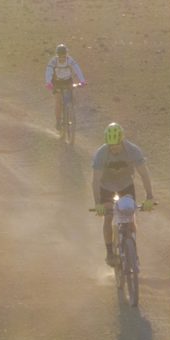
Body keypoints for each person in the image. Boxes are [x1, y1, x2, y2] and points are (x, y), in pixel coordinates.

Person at [91, 124, 152, 263]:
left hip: (126, 185)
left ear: (122, 141)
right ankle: (110, 253)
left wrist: (150, 197)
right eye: (111, 147)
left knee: (130, 216)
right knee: (108, 217)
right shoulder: (101, 154)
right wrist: (98, 203)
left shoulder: (133, 150)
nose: (114, 149)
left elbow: (144, 174)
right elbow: (95, 181)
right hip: (106, 187)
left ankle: (132, 250)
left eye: (117, 145)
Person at [44, 44, 86, 124]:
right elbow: (49, 71)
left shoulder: (70, 60)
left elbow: (77, 69)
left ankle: (71, 112)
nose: (62, 58)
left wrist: (82, 81)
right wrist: (48, 82)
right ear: (57, 56)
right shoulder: (53, 61)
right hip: (56, 81)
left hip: (68, 80)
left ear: (66, 55)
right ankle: (58, 121)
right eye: (60, 56)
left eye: (64, 56)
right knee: (58, 100)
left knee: (72, 98)